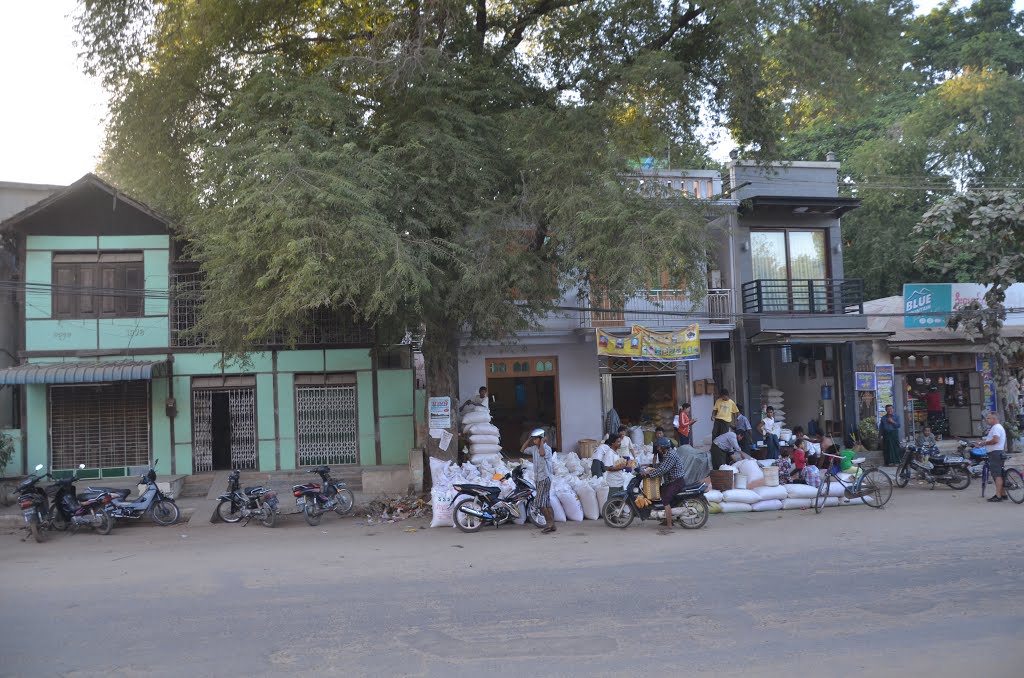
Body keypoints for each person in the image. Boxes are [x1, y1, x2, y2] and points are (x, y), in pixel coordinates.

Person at [642, 440, 688, 533]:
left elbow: (663, 469)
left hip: (676, 481)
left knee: (665, 499)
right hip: (671, 481)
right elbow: (663, 465)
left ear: (663, 447)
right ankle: (665, 518)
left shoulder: (670, 455)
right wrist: (650, 465)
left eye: (659, 447)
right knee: (660, 492)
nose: (658, 449)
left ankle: (669, 524)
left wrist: (648, 475)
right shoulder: (667, 454)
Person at [523, 429, 557, 532]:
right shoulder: (533, 448)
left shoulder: (547, 449)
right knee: (546, 502)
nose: (534, 441)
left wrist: (542, 443)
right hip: (538, 478)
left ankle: (549, 524)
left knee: (540, 503)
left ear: (542, 439)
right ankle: (552, 524)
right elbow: (522, 450)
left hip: (545, 478)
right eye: (533, 439)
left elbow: (542, 454)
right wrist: (529, 439)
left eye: (536, 439)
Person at [978, 412, 1008, 502]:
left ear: (994, 419)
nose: (987, 420)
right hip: (997, 452)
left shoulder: (996, 428)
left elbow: (995, 440)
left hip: (995, 453)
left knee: (997, 475)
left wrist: (984, 443)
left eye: (989, 418)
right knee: (999, 473)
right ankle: (1003, 494)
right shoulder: (997, 427)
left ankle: (998, 496)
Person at [595, 433, 632, 497]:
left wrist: (625, 464)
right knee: (612, 502)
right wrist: (621, 468)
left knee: (620, 502)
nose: (620, 443)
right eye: (618, 442)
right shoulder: (609, 453)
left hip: (619, 481)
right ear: (612, 443)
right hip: (614, 483)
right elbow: (607, 468)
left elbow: (616, 464)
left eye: (620, 441)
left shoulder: (616, 452)